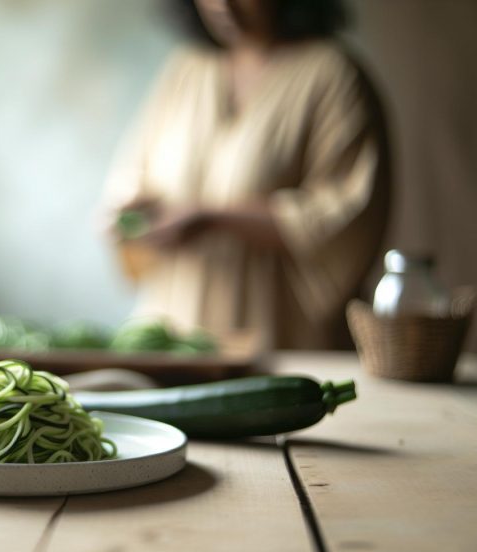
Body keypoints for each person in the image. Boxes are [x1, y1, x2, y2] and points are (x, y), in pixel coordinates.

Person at [104, 0, 390, 350]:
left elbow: (345, 214)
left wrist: (212, 219)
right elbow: (134, 172)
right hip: (175, 336)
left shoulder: (332, 75)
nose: (222, 5)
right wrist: (130, 212)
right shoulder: (187, 69)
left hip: (281, 337)